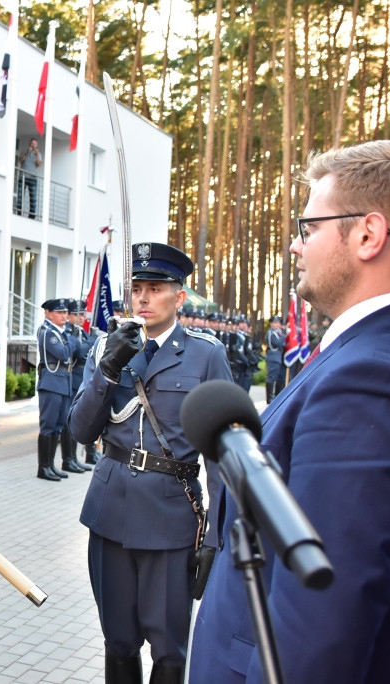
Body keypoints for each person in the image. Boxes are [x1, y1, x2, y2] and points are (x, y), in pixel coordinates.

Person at [189, 140, 390, 683]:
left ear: (368, 235)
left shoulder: (372, 381)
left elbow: (323, 629)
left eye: (308, 229)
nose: (295, 248)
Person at [68, 242, 232, 684]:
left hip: (171, 518)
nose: (141, 298)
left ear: (179, 297)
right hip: (110, 512)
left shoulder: (205, 354)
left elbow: (221, 456)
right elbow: (81, 432)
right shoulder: (109, 346)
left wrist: (215, 535)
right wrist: (107, 370)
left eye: (154, 288)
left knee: (169, 647)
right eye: (135, 288)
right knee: (117, 642)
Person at [35, 297, 76, 481]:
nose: (64, 316)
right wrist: (72, 343)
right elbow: (64, 353)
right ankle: (43, 467)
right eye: (59, 312)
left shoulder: (61, 332)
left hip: (62, 381)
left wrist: (70, 343)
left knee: (58, 426)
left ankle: (50, 465)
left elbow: (69, 350)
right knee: (48, 426)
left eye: (65, 312)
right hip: (51, 382)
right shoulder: (47, 333)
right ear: (48, 313)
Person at [62, 299, 93, 472]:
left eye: (83, 314)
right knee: (70, 420)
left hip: (82, 377)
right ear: (71, 315)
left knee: (78, 418)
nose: (81, 318)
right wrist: (92, 342)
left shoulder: (81, 332)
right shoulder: (69, 332)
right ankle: (68, 459)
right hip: (73, 378)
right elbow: (80, 352)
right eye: (78, 315)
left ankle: (73, 458)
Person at [17, 137, 43, 218]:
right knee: (20, 196)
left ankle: (31, 216)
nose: (33, 146)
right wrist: (27, 153)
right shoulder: (24, 151)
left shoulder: (38, 154)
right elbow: (20, 161)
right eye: (32, 144)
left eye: (35, 144)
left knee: (33, 199)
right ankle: (19, 213)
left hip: (33, 178)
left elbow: (39, 164)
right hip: (23, 177)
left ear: (37, 145)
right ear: (29, 144)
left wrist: (36, 155)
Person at [263, 314, 285, 403]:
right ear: (271, 324)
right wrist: (284, 336)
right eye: (274, 323)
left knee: (279, 378)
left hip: (278, 358)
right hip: (273, 358)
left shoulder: (278, 333)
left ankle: (276, 397)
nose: (276, 325)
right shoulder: (271, 333)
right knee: (271, 377)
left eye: (278, 323)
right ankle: (269, 398)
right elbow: (278, 343)